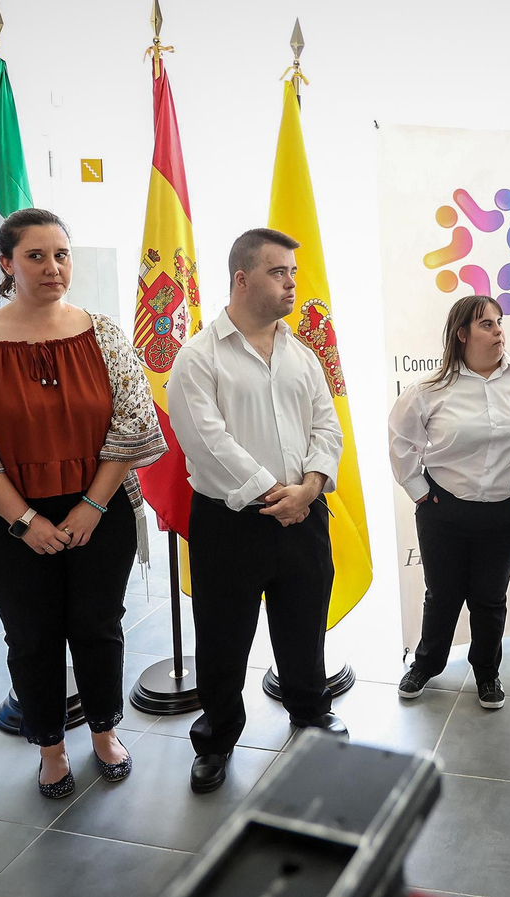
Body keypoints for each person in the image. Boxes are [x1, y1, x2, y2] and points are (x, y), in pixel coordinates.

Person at [0, 208, 165, 798]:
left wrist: (91, 505)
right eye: (35, 255)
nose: (52, 267)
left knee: (98, 625)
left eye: (61, 254)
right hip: (12, 518)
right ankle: (50, 747)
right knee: (31, 637)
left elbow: (131, 427)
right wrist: (26, 519)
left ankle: (106, 731)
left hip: (99, 508)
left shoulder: (107, 335)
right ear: (6, 263)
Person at [169, 227, 347, 794]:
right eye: (279, 272)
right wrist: (279, 493)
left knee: (303, 622)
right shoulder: (198, 357)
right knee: (222, 637)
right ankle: (218, 736)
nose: (292, 282)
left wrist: (310, 489)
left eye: (293, 272)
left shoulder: (301, 354)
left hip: (304, 515)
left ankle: (308, 709)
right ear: (242, 279)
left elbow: (327, 426)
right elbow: (205, 441)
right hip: (230, 523)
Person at [390, 296, 510, 710]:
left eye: (500, 322)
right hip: (444, 509)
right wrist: (418, 490)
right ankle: (426, 664)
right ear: (462, 334)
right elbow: (401, 441)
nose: (498, 330)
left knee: (489, 597)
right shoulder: (429, 389)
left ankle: (487, 672)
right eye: (486, 324)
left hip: (508, 514)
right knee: (443, 594)